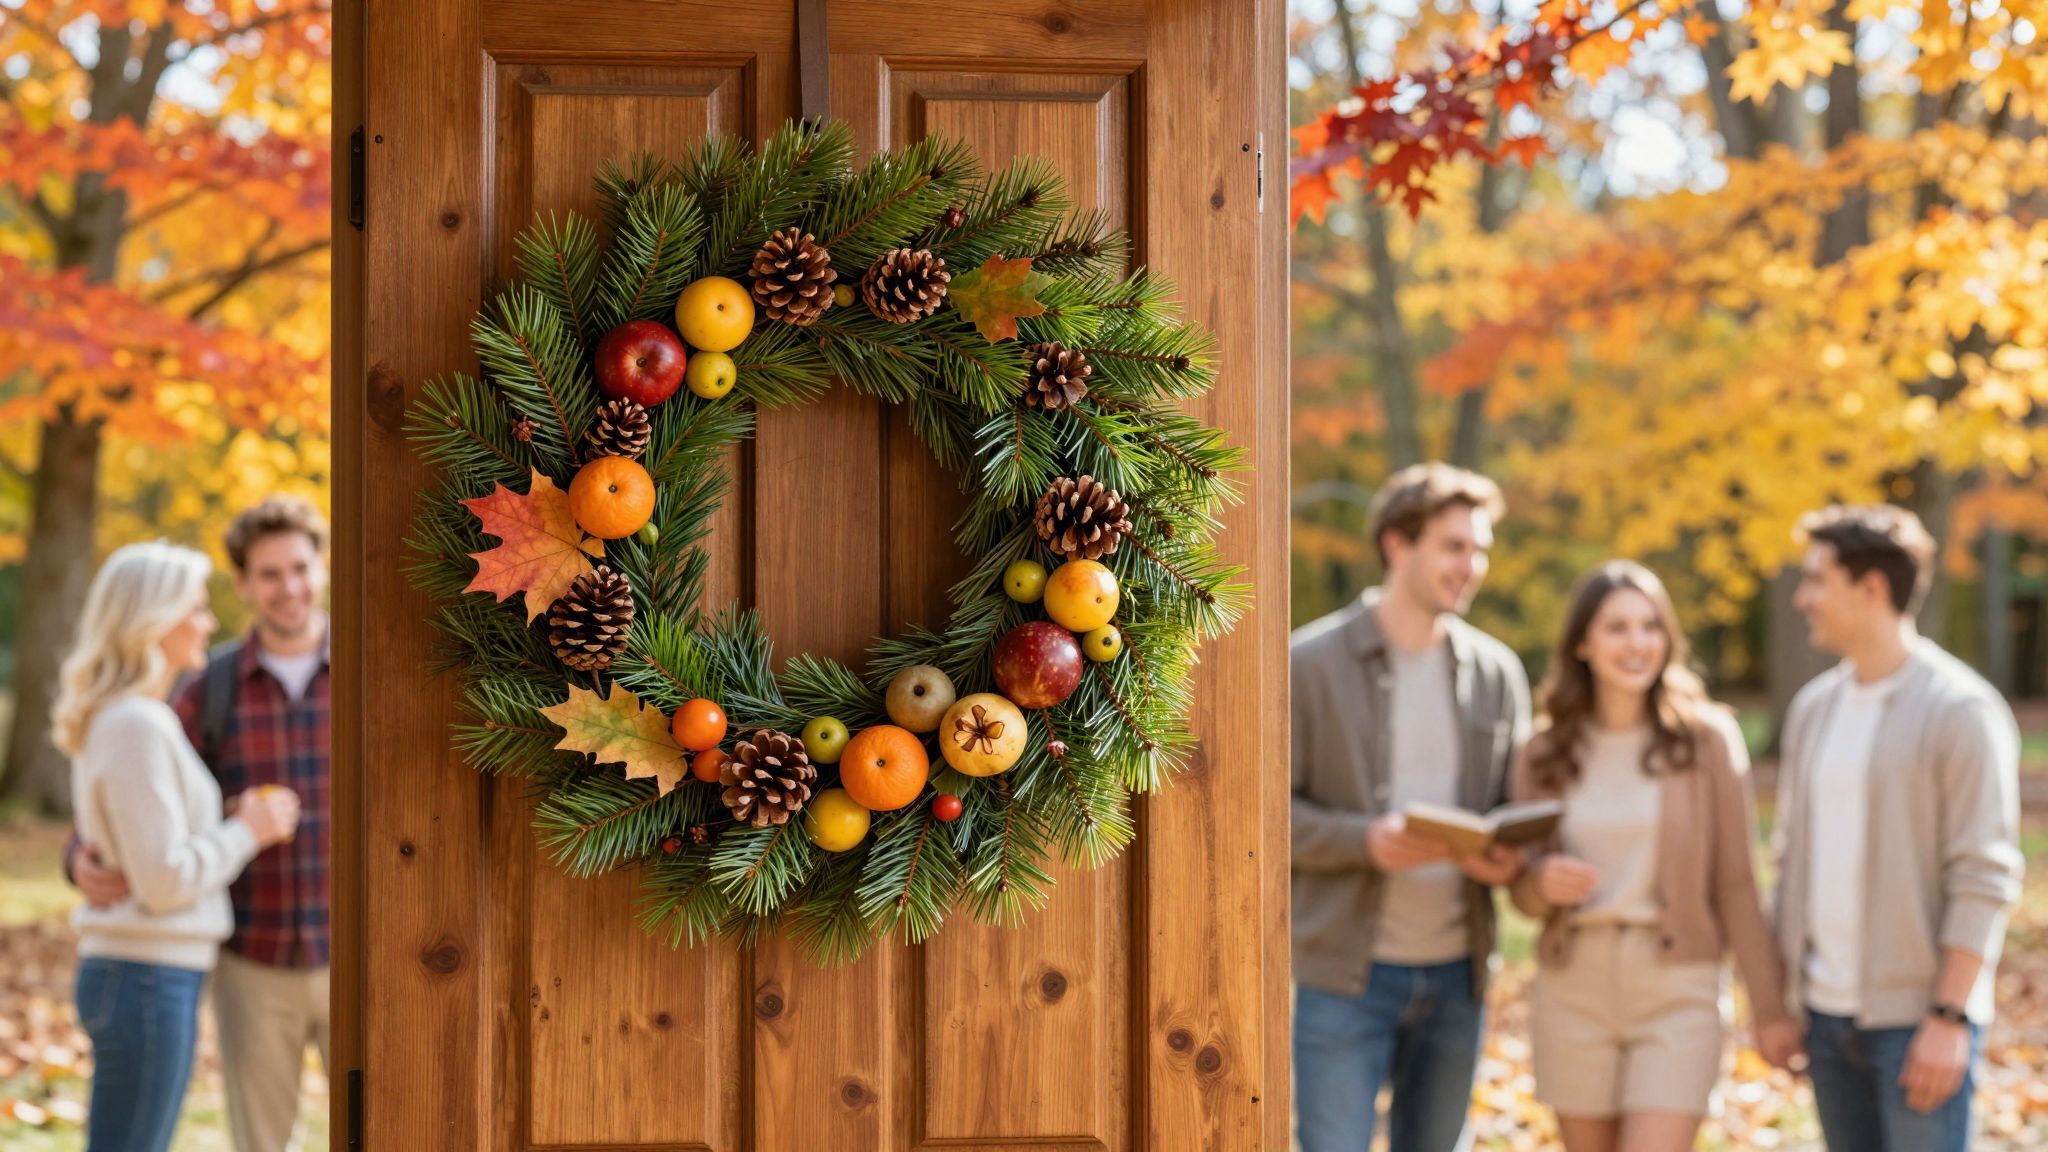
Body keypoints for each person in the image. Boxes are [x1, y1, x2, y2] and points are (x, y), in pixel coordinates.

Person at [70, 497, 334, 1152]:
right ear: (244, 582)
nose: (289, 588)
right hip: (251, 957)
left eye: (300, 567)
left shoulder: (370, 671)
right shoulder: (203, 688)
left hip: (354, 951)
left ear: (322, 569)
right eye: (268, 574)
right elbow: (133, 801)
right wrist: (80, 855)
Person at [1508, 561, 1799, 1152]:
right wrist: (1541, 882)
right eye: (1616, 627)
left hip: (1677, 990)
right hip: (1574, 989)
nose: (1637, 643)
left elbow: (1738, 884)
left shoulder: (1708, 741)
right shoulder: (1542, 752)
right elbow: (1521, 888)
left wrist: (1770, 1010)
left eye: (1650, 626)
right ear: (1583, 643)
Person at [1290, 462, 1532, 1152]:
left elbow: (1514, 812)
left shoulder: (1498, 674)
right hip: (1344, 977)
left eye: (1481, 549)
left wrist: (1508, 858)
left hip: (1460, 977)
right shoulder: (1310, 664)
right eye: (1456, 546)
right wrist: (1364, 841)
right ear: (1398, 543)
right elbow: (1266, 816)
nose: (1473, 565)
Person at [1774, 504, 2022, 1152]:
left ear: (1872, 588)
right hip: (1826, 1021)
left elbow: (1985, 875)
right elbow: (1792, 859)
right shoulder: (1813, 710)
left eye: (1817, 581)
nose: (1804, 599)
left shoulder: (1960, 711)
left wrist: (1949, 1016)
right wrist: (1783, 999)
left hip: (1918, 1026)